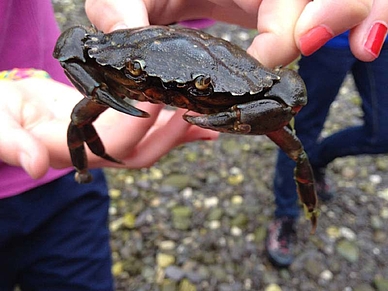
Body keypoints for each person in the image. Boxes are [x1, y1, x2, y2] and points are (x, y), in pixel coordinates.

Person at [1, 0, 387, 289]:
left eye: (200, 85)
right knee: (80, 119)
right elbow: (71, 43)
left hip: (65, 205)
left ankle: (304, 212)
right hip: (50, 143)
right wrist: (103, 93)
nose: (168, 90)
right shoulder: (112, 59)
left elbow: (290, 93)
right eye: (138, 72)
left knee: (297, 150)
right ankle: (84, 163)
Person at [0, 1, 218, 290]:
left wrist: (183, 5)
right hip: (47, 121)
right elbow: (70, 46)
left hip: (61, 166)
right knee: (81, 119)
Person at [266, 31, 388, 268]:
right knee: (301, 133)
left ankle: (316, 161)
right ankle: (285, 213)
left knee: (382, 134)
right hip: (329, 38)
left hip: (380, 37)